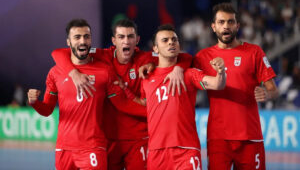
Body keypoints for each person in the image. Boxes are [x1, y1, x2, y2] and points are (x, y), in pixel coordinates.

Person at [51, 19, 192, 170]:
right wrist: (73, 73)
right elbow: (58, 53)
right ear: (113, 40)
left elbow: (186, 57)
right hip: (110, 140)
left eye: (130, 36)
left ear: (137, 40)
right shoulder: (102, 55)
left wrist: (178, 69)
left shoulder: (146, 58)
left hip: (139, 139)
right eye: (121, 37)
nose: (126, 41)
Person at [27, 19, 146, 170]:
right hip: (64, 148)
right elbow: (47, 109)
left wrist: (155, 112)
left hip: (93, 147)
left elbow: (122, 104)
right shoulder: (55, 73)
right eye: (77, 37)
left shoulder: (104, 72)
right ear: (68, 42)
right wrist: (34, 103)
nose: (83, 41)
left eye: (86, 36)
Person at [193, 3, 279, 170]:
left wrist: (267, 94)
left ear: (237, 25)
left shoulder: (254, 52)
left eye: (231, 22)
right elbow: (183, 70)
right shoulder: (202, 57)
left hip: (250, 138)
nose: (226, 26)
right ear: (213, 26)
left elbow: (274, 90)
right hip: (218, 139)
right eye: (221, 22)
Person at [140, 24, 226, 170]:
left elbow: (218, 84)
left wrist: (221, 72)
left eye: (174, 40)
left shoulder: (190, 74)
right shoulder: (147, 78)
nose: (171, 43)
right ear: (155, 48)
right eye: (165, 40)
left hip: (186, 150)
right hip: (157, 152)